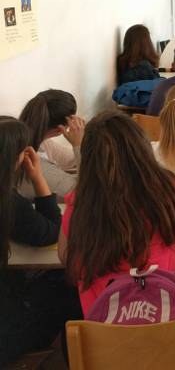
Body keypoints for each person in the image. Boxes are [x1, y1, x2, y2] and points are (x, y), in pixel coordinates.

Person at [59, 111, 175, 314]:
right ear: (143, 148)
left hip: (102, 326)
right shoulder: (169, 189)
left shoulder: (80, 200)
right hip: (164, 322)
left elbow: (65, 256)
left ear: (88, 157)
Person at [0, 117, 82, 367]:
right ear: (17, 157)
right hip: (6, 333)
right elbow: (52, 232)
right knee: (71, 287)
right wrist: (38, 178)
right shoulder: (9, 203)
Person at [18, 89, 85, 199]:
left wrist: (80, 144)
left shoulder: (38, 142)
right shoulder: (31, 163)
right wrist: (79, 144)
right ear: (61, 129)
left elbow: (70, 159)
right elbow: (87, 192)